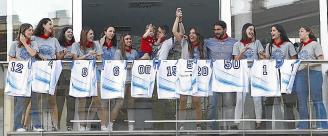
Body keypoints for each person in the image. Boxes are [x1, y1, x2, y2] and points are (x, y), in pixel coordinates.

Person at [172, 8, 205, 130]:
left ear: (198, 35)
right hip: (185, 76)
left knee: (196, 101)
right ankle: (181, 125)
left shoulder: (202, 46)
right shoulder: (184, 43)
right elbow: (174, 31)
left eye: (194, 33)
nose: (191, 34)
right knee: (183, 100)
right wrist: (178, 18)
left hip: (197, 77)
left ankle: (198, 126)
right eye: (190, 32)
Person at [32, 18, 64, 131]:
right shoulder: (34, 38)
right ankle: (35, 125)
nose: (52, 26)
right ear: (43, 25)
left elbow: (58, 57)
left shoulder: (54, 40)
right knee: (38, 99)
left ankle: (55, 125)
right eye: (50, 24)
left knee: (52, 99)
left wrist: (63, 54)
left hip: (51, 70)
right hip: (38, 71)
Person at [70, 27, 105, 131]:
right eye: (90, 34)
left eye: (93, 34)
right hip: (81, 75)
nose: (92, 36)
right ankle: (82, 126)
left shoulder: (96, 44)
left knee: (98, 100)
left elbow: (100, 59)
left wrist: (97, 56)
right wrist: (87, 55)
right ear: (84, 35)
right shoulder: (76, 45)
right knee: (82, 100)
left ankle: (103, 125)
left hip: (95, 74)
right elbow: (75, 59)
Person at [232, 23, 265, 129]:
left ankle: (258, 122)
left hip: (255, 70)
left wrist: (263, 55)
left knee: (257, 98)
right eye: (250, 29)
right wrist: (242, 52)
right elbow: (235, 60)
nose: (252, 32)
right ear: (245, 30)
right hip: (242, 71)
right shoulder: (237, 44)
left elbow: (261, 57)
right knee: (240, 98)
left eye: (253, 30)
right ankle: (236, 122)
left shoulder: (257, 43)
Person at [206, 20, 238, 130]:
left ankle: (229, 128)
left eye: (218, 29)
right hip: (213, 78)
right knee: (212, 104)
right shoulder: (208, 42)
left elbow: (237, 59)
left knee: (229, 104)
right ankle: (212, 129)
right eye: (215, 30)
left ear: (225, 29)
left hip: (228, 78)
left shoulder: (234, 42)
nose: (216, 31)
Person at [294, 26, 328, 129]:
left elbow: (321, 59)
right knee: (301, 100)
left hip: (314, 73)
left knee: (317, 99)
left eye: (302, 31)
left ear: (308, 32)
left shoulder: (315, 44)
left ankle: (322, 124)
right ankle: (304, 124)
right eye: (299, 31)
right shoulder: (300, 47)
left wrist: (308, 65)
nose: (299, 33)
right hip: (301, 74)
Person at [265, 24, 298, 129]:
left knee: (288, 103)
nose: (271, 32)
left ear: (279, 32)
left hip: (285, 78)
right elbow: (266, 61)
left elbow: (294, 60)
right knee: (269, 102)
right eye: (271, 31)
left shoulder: (288, 45)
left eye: (273, 30)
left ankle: (290, 128)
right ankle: (268, 128)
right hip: (272, 78)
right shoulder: (269, 46)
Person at [8, 23, 38, 132]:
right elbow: (11, 58)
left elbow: (33, 53)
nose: (31, 32)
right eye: (29, 30)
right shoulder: (14, 44)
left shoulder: (34, 43)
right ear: (23, 31)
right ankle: (17, 126)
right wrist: (21, 62)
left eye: (32, 30)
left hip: (32, 76)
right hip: (20, 78)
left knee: (34, 101)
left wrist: (25, 43)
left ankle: (36, 125)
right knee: (20, 103)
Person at [112, 33, 139, 131]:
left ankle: (131, 126)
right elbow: (116, 66)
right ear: (123, 41)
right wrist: (129, 66)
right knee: (119, 103)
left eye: (130, 39)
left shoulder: (134, 52)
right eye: (127, 39)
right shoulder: (118, 52)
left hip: (132, 80)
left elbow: (138, 64)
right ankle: (110, 124)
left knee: (131, 103)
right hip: (122, 81)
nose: (129, 40)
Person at [56, 26, 76, 131]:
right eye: (68, 32)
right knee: (59, 101)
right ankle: (56, 124)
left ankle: (70, 125)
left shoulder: (75, 45)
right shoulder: (58, 44)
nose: (70, 34)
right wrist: (63, 54)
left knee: (71, 102)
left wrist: (72, 55)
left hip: (72, 74)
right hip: (60, 75)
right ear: (64, 33)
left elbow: (77, 57)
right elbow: (56, 57)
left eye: (71, 32)